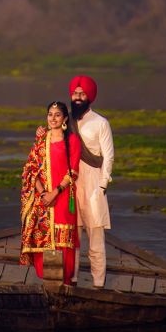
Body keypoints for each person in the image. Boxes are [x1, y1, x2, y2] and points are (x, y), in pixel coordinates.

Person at [20, 100, 82, 285]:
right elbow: (31, 170)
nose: (53, 118)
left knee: (63, 240)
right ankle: (50, 282)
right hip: (43, 197)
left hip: (63, 196)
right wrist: (42, 195)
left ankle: (66, 283)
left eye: (57, 115)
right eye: (50, 114)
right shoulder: (41, 139)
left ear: (64, 118)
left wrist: (54, 193)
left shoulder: (71, 140)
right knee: (45, 240)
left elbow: (73, 172)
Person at [69, 75, 114, 287]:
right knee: (73, 240)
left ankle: (98, 286)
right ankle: (73, 282)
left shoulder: (101, 123)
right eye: (75, 93)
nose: (77, 97)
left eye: (82, 93)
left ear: (90, 96)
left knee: (95, 242)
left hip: (94, 185)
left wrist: (103, 185)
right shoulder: (65, 121)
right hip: (71, 185)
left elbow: (109, 156)